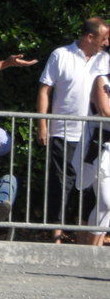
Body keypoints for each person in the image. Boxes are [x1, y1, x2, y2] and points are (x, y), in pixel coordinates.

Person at [37, 17, 110, 243]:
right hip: (63, 131)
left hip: (93, 136)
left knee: (91, 189)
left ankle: (83, 234)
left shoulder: (105, 59)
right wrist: (42, 124)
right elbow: (44, 90)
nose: (106, 43)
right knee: (62, 184)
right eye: (103, 38)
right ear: (90, 37)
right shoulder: (61, 55)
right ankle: (57, 236)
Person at [73, 73, 110, 246]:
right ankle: (92, 249)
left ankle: (95, 247)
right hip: (103, 148)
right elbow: (105, 111)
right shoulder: (103, 80)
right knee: (105, 200)